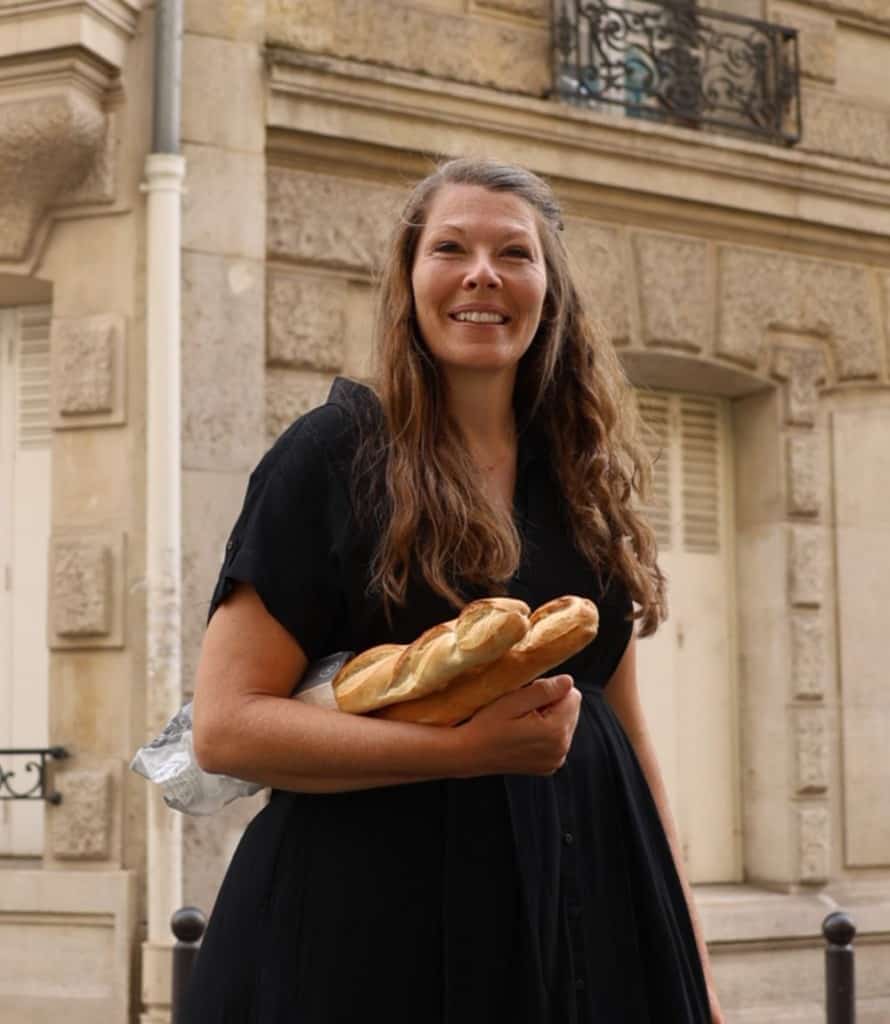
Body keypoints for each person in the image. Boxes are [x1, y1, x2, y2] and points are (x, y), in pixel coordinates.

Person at [184, 157, 724, 1023]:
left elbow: (630, 742)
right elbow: (225, 727)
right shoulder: (334, 457)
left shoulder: (578, 482)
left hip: (585, 923)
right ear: (410, 280)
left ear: (549, 290)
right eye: (451, 248)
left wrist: (690, 966)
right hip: (373, 933)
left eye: (514, 253)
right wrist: (464, 752)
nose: (483, 273)